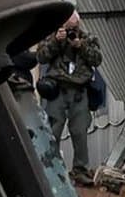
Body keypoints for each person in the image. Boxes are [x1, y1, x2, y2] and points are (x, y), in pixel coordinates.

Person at [35, 15, 104, 180]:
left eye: (74, 28)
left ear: (78, 25)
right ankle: (52, 169)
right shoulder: (52, 36)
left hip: (79, 91)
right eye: (68, 28)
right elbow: (41, 57)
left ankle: (80, 169)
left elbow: (97, 60)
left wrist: (81, 46)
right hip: (57, 88)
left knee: (80, 131)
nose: (71, 32)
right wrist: (56, 41)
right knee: (53, 131)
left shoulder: (88, 38)